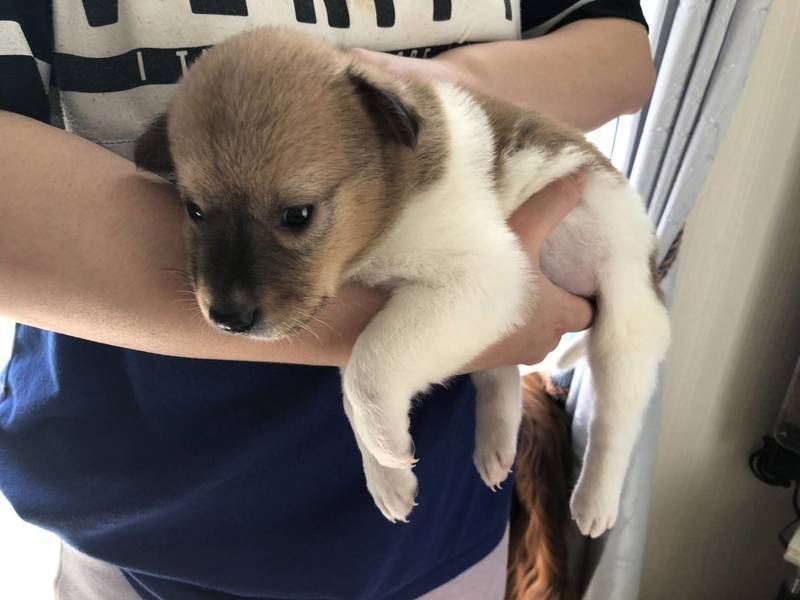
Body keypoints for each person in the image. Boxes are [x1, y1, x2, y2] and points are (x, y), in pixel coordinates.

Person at [0, 1, 654, 598]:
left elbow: (621, 55)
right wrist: (434, 317)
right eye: (195, 209)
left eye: (295, 218)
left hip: (439, 518)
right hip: (141, 513)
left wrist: (422, 91)